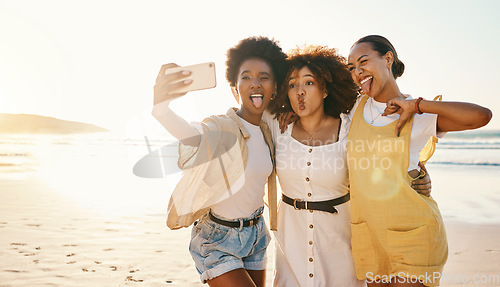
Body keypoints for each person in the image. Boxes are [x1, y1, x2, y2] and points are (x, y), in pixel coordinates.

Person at [264, 45, 432, 287]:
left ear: (324, 89)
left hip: (341, 247)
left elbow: (388, 150)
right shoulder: (277, 127)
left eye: (308, 83)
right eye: (292, 85)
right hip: (291, 248)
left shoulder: (350, 126)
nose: (299, 91)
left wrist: (418, 174)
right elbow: (247, 108)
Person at [346, 35, 492, 287]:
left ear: (388, 59)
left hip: (415, 235)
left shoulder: (420, 115)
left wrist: (417, 105)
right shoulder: (353, 109)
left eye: (363, 62)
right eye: (352, 68)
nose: (358, 72)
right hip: (369, 237)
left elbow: (480, 116)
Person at [152, 36, 287, 287]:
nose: (254, 83)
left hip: (256, 233)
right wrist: (161, 109)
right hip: (218, 239)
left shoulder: (271, 129)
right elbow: (193, 135)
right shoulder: (222, 128)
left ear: (275, 87)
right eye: (245, 77)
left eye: (263, 77)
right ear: (235, 88)